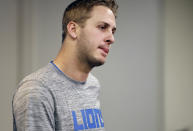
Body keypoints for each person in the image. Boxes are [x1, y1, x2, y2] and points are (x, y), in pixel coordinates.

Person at [12, 0, 118, 130]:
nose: (111, 38)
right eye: (102, 27)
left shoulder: (93, 84)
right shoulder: (36, 90)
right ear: (73, 29)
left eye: (113, 31)